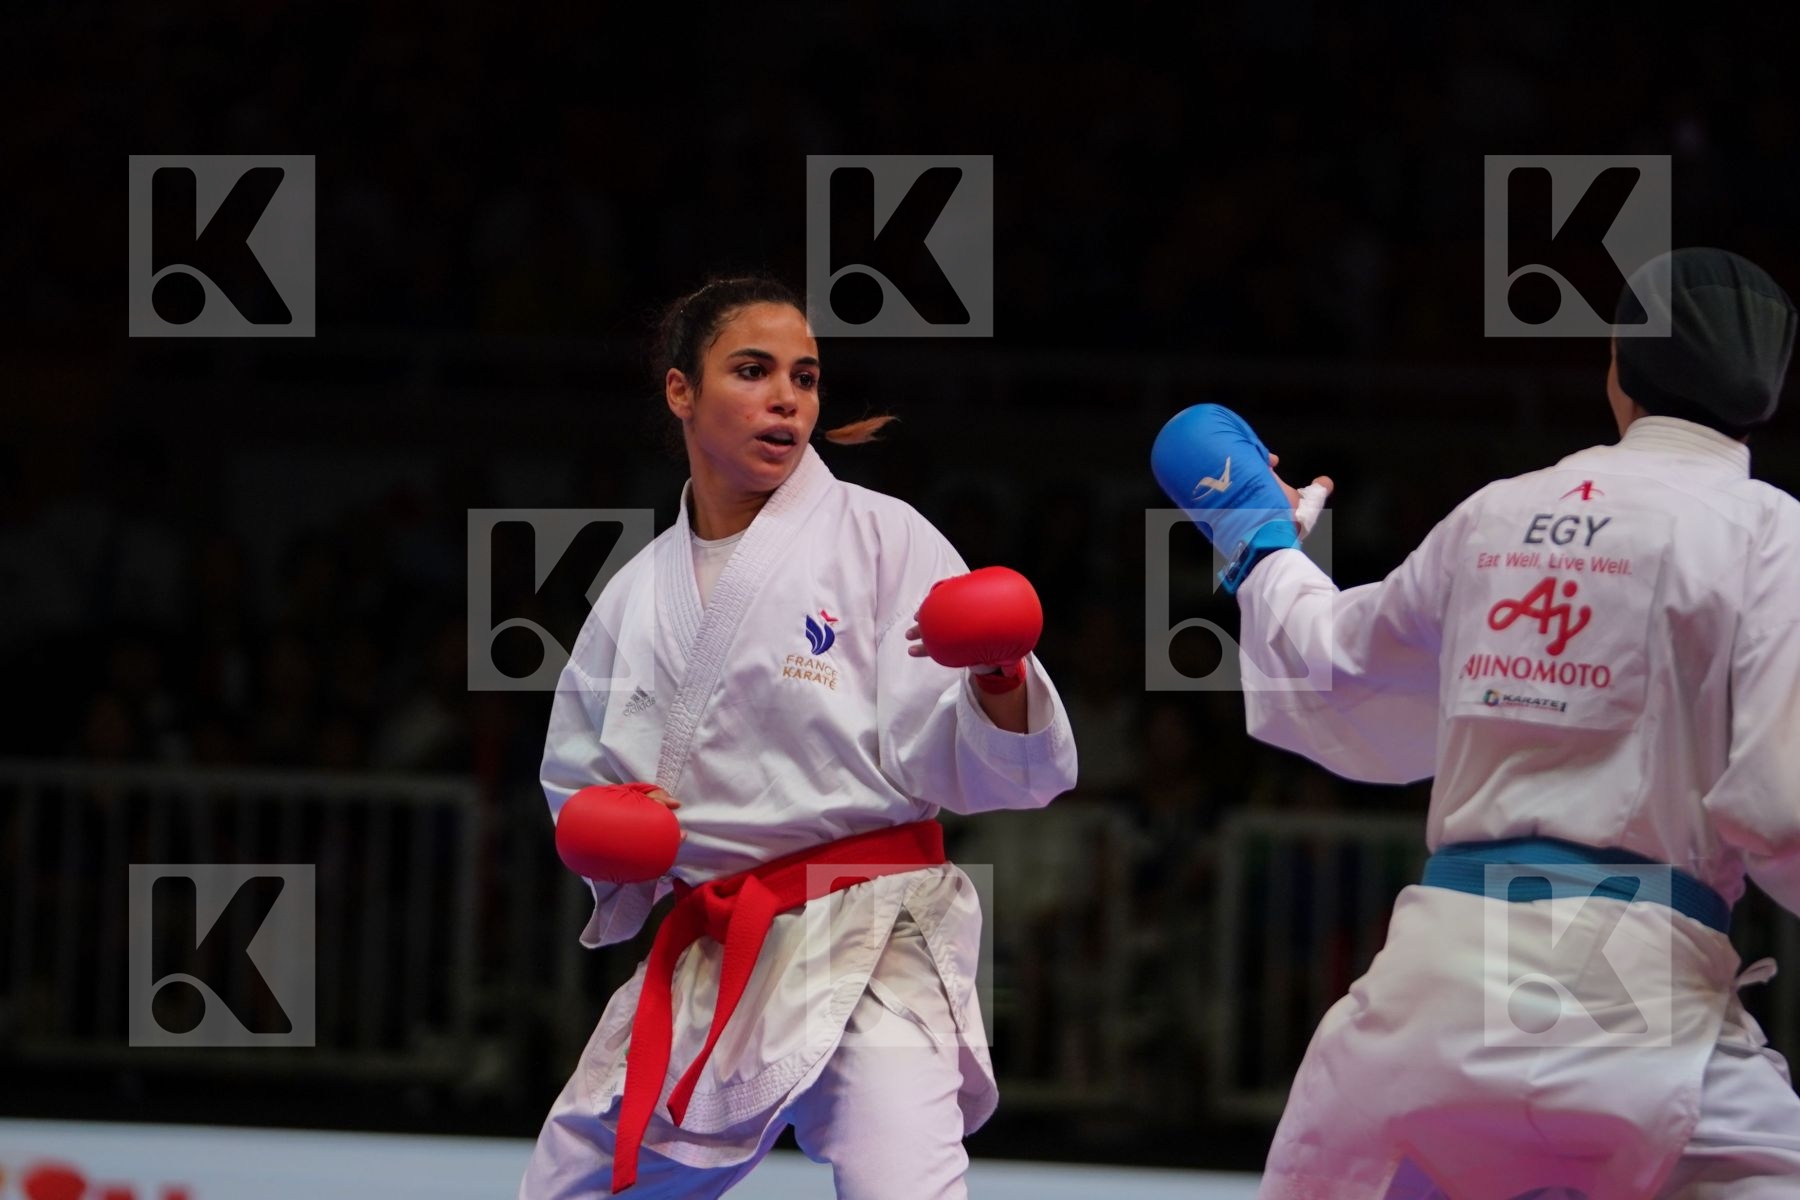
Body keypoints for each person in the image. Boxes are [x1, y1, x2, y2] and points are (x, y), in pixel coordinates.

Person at [1153, 247, 1800, 1199]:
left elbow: (1336, 663)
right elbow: (1781, 815)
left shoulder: (1498, 514)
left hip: (1429, 1001)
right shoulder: (1769, 533)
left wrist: (1259, 535)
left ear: (1618, 367)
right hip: (1640, 1004)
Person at [519, 275, 1079, 1199]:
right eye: (753, 371)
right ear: (681, 391)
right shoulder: (633, 595)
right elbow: (587, 791)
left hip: (873, 930)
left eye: (806, 377)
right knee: (573, 1186)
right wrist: (602, 831)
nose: (788, 398)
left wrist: (1000, 675)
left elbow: (1014, 768)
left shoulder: (881, 538)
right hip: (719, 944)